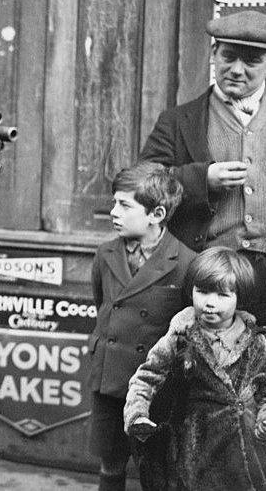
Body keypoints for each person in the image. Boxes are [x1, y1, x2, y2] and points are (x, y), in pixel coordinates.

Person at [139, 10, 266, 487]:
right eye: (228, 57)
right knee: (201, 397)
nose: (236, 70)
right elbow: (143, 186)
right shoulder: (180, 121)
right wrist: (200, 177)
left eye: (251, 61)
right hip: (209, 279)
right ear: (213, 55)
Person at [124, 247, 266, 490]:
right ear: (192, 291)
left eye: (222, 295)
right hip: (193, 455)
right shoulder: (181, 338)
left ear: (240, 297)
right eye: (202, 291)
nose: (209, 303)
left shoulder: (256, 341)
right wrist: (137, 415)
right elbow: (147, 377)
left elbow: (265, 390)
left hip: (243, 458)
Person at [86, 161, 196, 491]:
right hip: (109, 379)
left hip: (155, 386)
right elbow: (102, 306)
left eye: (124, 205)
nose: (113, 212)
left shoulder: (187, 262)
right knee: (110, 461)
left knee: (159, 466)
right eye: (113, 202)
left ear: (157, 214)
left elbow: (187, 328)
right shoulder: (105, 254)